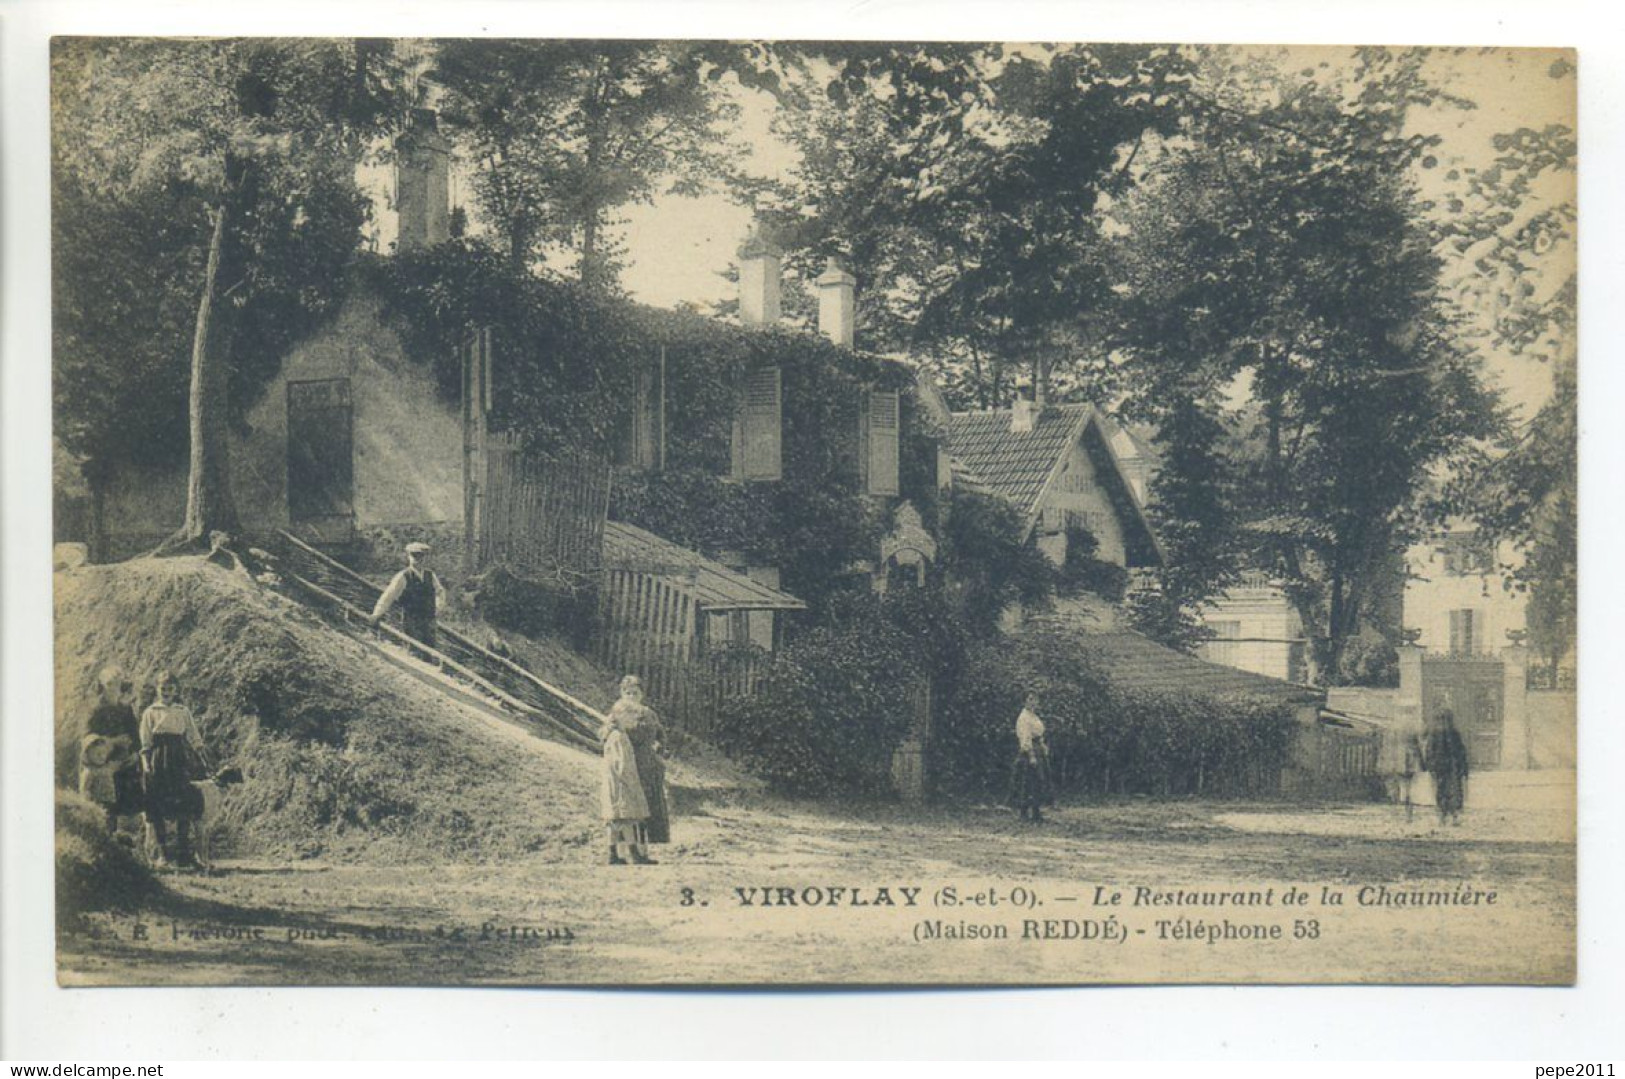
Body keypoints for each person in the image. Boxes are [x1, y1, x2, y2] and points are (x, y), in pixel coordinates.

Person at [139, 670, 213, 868]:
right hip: (159, 759)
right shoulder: (151, 712)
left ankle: (183, 853)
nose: (167, 692)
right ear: (158, 689)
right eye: (163, 688)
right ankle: (162, 854)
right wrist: (147, 765)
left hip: (179, 759)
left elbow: (193, 735)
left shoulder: (182, 710)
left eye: (171, 688)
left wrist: (201, 754)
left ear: (176, 690)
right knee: (158, 803)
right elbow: (145, 742)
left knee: (183, 802)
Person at [608, 675, 670, 849]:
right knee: (628, 807)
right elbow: (605, 735)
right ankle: (627, 848)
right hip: (627, 765)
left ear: (641, 694)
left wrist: (660, 749)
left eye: (635, 693)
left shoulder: (649, 714)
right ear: (621, 694)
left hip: (648, 766)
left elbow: (661, 736)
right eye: (627, 693)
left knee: (647, 807)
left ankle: (643, 850)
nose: (631, 697)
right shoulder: (617, 713)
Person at [80, 665, 142, 832]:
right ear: (102, 685)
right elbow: (87, 739)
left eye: (117, 683)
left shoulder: (125, 708)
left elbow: (135, 734)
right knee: (107, 809)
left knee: (129, 807)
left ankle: (128, 845)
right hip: (103, 765)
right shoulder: (96, 709)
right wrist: (112, 742)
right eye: (110, 684)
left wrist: (136, 753)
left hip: (125, 763)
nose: (114, 688)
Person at [600, 693, 653, 866]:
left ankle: (612, 854)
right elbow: (621, 764)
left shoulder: (613, 734)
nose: (635, 722)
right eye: (632, 718)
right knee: (626, 819)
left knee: (614, 820)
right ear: (622, 717)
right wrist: (631, 783)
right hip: (621, 783)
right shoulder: (619, 737)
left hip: (612, 783)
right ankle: (634, 853)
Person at [370, 541, 446, 649]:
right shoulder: (403, 576)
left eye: (420, 556)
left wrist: (438, 608)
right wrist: (377, 614)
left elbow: (440, 592)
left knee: (430, 648)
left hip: (428, 619)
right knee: (414, 648)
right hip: (411, 619)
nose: (417, 559)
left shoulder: (430, 575)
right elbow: (388, 596)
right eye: (414, 556)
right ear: (409, 557)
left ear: (425, 558)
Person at [1010, 693, 1054, 823]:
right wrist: (1031, 756)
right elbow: (1025, 738)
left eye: (1035, 700)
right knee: (1028, 782)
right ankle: (1023, 813)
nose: (1033, 702)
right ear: (1025, 701)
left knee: (1038, 782)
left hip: (1038, 749)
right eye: (1030, 700)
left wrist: (1043, 746)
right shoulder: (1024, 717)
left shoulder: (1034, 716)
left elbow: (1039, 734)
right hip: (1029, 751)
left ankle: (1036, 812)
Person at [1422, 707, 1470, 827]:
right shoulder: (1450, 733)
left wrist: (1430, 765)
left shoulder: (1446, 734)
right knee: (1449, 791)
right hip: (1447, 767)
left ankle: (1447, 817)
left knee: (1445, 791)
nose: (1444, 722)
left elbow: (1430, 752)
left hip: (1446, 767)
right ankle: (1448, 816)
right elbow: (1461, 752)